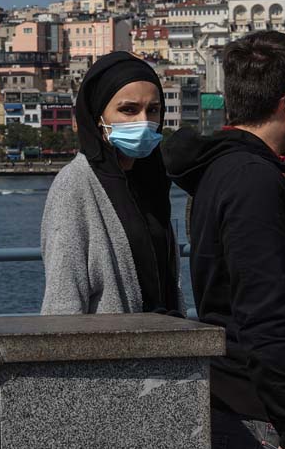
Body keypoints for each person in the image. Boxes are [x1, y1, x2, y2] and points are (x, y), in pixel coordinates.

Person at [163, 31, 285, 449]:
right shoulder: (253, 181)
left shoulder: (227, 171)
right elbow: (263, 312)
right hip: (266, 417)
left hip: (256, 405)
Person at [40, 51, 180, 315]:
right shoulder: (75, 186)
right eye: (128, 110)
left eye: (153, 110)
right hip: (113, 350)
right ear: (97, 116)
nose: (143, 122)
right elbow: (63, 299)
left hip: (164, 345)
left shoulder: (153, 181)